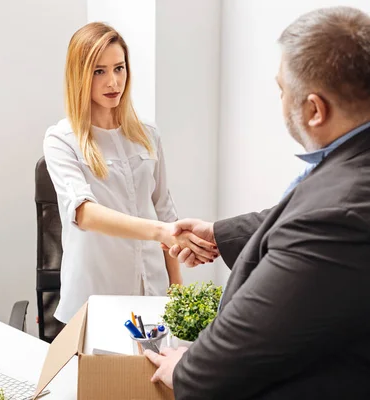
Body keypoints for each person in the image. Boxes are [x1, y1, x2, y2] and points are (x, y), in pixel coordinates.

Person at [146, 6, 370, 399]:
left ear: (315, 110)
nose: (280, 100)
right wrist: (218, 234)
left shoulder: (346, 215)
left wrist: (188, 367)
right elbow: (312, 215)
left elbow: (228, 361)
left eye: (282, 90)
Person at [44, 22, 218, 323]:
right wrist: (159, 231)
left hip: (154, 290)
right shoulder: (61, 140)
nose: (113, 81)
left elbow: (165, 213)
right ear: (80, 75)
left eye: (119, 68)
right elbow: (84, 213)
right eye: (99, 71)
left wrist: (177, 293)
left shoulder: (147, 134)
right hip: (97, 296)